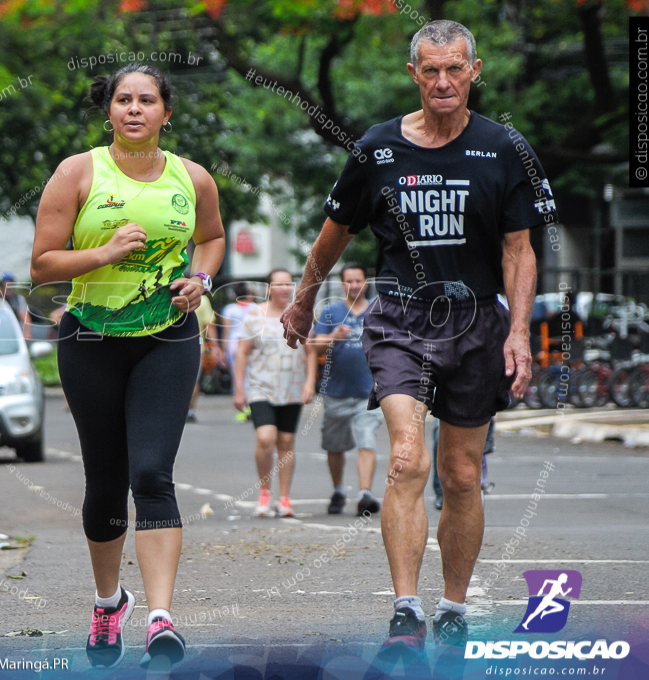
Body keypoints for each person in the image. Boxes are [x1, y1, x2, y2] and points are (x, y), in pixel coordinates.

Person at [281, 21, 551, 657]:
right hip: (401, 319)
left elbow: (520, 249)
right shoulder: (377, 149)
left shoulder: (503, 147)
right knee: (408, 456)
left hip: (479, 325)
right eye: (430, 70)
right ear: (414, 75)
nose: (443, 82)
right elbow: (335, 232)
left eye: (455, 69)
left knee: (460, 474)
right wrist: (302, 298)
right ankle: (406, 606)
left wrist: (518, 331)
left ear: (474, 71)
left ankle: (453, 604)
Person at [31, 63, 225, 669]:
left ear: (167, 113)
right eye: (123, 100)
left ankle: (161, 617)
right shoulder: (77, 173)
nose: (135, 109)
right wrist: (105, 253)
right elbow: (41, 265)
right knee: (106, 485)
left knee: (152, 473)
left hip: (168, 337)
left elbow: (213, 238)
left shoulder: (193, 179)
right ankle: (109, 600)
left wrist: (201, 278)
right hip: (90, 338)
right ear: (109, 110)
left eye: (147, 100)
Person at [234, 269, 316, 518]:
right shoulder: (254, 315)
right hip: (261, 387)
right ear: (269, 288)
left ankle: (284, 498)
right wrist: (239, 388)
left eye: (287, 284)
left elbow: (310, 350)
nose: (283, 288)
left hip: (291, 386)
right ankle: (265, 492)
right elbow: (242, 352)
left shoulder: (301, 314)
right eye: (278, 284)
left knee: (287, 442)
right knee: (266, 438)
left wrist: (310, 382)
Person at [311, 263, 383, 516]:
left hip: (369, 391)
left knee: (367, 441)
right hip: (336, 390)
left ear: (366, 282)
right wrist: (335, 337)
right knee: (335, 445)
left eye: (358, 280)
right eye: (349, 281)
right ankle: (339, 490)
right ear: (343, 284)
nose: (354, 285)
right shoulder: (331, 311)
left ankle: (364, 494)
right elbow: (315, 345)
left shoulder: (378, 308)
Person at [220, 282, 259, 420]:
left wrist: (223, 351)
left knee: (237, 376)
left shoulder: (230, 309)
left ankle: (243, 407)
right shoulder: (255, 308)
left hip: (234, 344)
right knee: (251, 375)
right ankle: (252, 406)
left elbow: (226, 331)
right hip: (251, 344)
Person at [186, 294, 222, 423]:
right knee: (192, 381)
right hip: (195, 346)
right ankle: (189, 411)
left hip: (183, 346)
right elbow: (209, 325)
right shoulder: (201, 299)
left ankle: (184, 410)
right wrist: (215, 346)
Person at [0, 272, 32, 340]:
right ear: (0, 286)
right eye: (4, 285)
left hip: (13, 332)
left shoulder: (18, 299)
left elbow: (24, 316)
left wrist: (27, 332)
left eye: (10, 285)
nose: (8, 289)